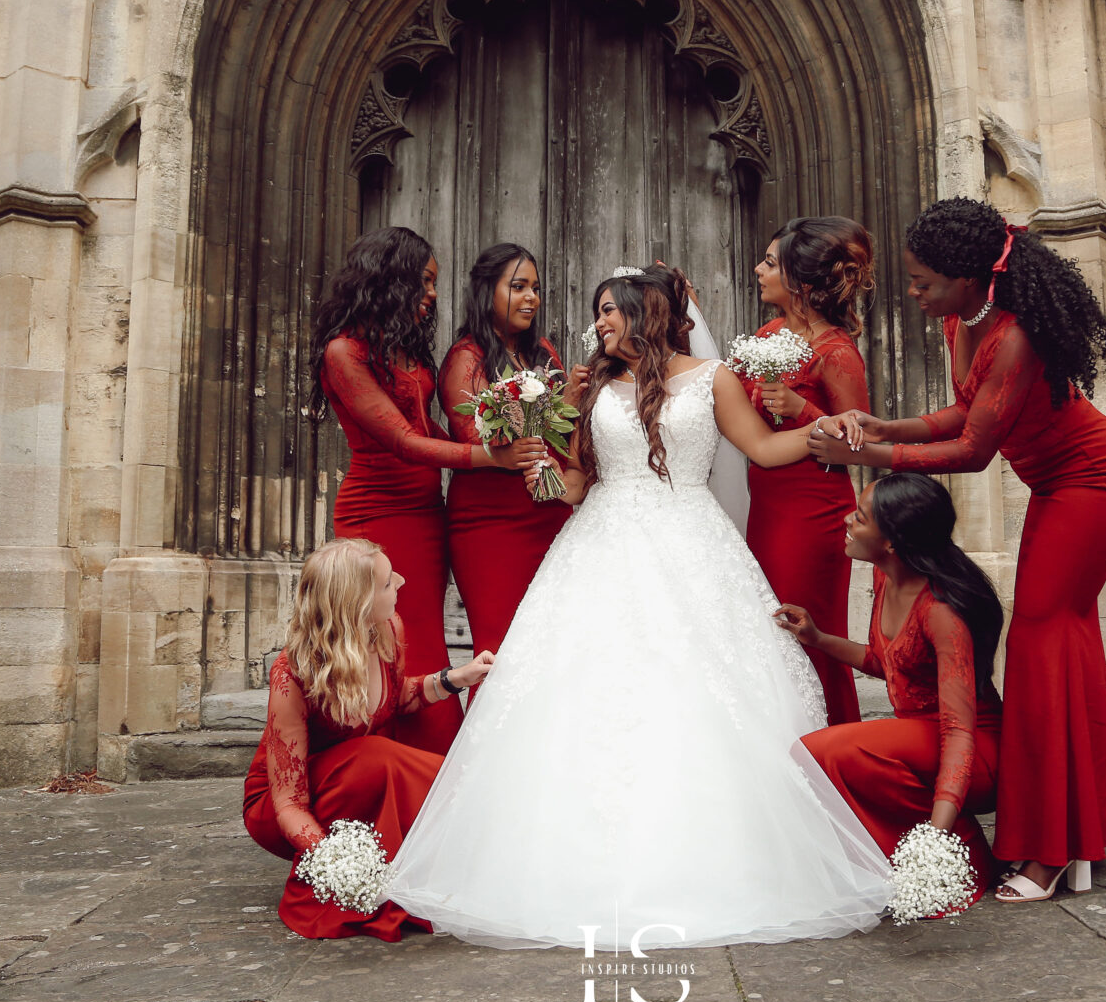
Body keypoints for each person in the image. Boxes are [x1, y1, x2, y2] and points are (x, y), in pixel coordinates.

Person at [384, 266, 890, 949]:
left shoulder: (712, 380)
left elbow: (766, 451)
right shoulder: (594, 389)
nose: (599, 325)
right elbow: (574, 487)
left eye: (608, 312)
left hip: (692, 542)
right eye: (596, 314)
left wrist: (832, 427)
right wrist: (539, 471)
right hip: (598, 543)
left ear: (643, 311)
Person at [808, 198, 1106, 902]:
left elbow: (972, 450)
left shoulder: (1017, 335)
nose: (912, 292)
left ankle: (1050, 849)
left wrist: (871, 451)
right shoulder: (959, 319)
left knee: (1042, 638)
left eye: (924, 281)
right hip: (1058, 483)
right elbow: (963, 410)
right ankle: (1074, 828)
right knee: (1057, 638)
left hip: (1099, 479)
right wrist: (885, 422)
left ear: (969, 277)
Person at [311, 227, 543, 753]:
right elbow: (401, 440)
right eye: (425, 280)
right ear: (388, 279)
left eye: (434, 282)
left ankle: (430, 777)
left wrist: (487, 436)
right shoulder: (343, 353)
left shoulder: (402, 348)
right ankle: (421, 773)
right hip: (377, 515)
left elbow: (427, 429)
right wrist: (491, 456)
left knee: (426, 644)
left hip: (426, 512)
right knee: (400, 647)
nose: (433, 293)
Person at [241, 539, 496, 940]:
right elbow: (288, 804)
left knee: (384, 760)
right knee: (381, 757)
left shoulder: (387, 630)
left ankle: (486, 832)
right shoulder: (291, 673)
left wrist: (455, 679)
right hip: (285, 806)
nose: (401, 580)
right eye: (386, 581)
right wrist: (334, 861)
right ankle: (481, 826)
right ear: (357, 601)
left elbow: (395, 701)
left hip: (360, 776)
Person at [777, 474, 1005, 907]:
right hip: (921, 741)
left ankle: (959, 856)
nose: (846, 519)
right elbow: (890, 664)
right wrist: (818, 638)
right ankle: (905, 859)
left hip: (975, 753)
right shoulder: (887, 579)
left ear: (892, 542)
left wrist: (937, 836)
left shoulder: (940, 612)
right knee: (825, 754)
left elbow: (958, 731)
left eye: (860, 518)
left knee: (825, 751)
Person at [740, 217, 874, 726]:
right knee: (771, 637)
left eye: (771, 263)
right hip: (768, 509)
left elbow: (862, 443)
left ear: (802, 282)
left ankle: (833, 753)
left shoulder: (836, 352)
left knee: (804, 632)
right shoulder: (770, 335)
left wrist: (801, 408)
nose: (759, 269)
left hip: (812, 514)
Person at [438, 244, 572, 662]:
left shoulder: (543, 352)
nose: (532, 297)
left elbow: (563, 429)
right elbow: (469, 433)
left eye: (535, 288)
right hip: (490, 523)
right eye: (518, 287)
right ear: (486, 291)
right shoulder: (466, 358)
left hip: (549, 513)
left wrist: (575, 398)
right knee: (499, 652)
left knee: (553, 648)